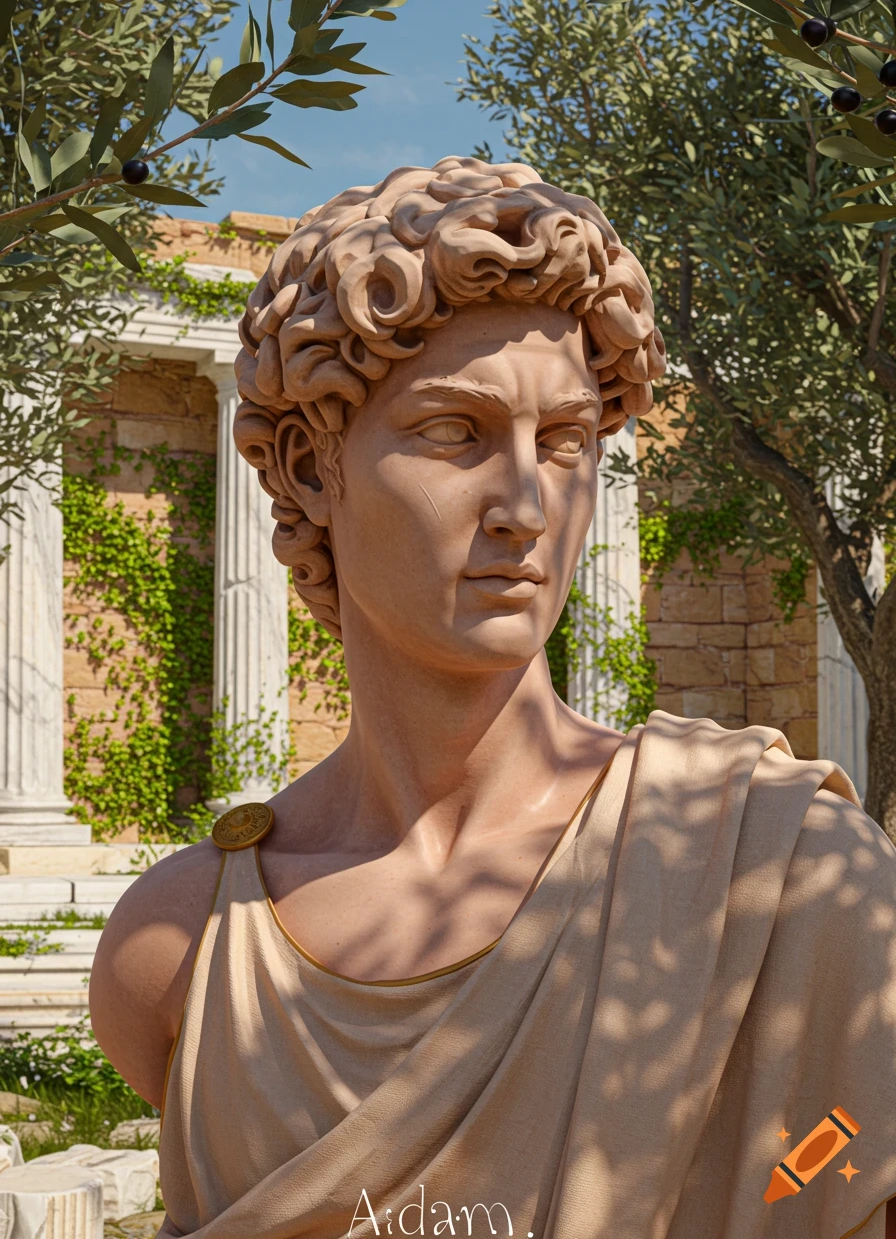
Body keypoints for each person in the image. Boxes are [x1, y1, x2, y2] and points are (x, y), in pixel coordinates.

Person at [89, 158, 896, 1238]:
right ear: (307, 461)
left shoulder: (788, 869)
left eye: (563, 443)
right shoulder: (177, 948)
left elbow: (823, 1161)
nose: (523, 504)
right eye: (453, 433)